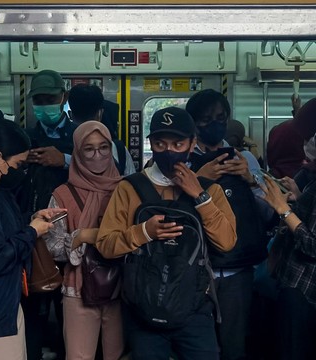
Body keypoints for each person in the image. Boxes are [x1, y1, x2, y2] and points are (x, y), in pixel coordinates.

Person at [95, 107, 237, 360]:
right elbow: (106, 244)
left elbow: (226, 242)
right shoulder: (130, 188)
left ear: (192, 143)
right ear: (150, 144)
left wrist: (200, 197)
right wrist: (143, 232)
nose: (168, 151)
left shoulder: (210, 190)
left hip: (194, 308)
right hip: (144, 308)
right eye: (160, 144)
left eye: (178, 143)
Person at [186, 89, 274, 360]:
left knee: (234, 344)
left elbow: (268, 211)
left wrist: (251, 180)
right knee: (199, 346)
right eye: (205, 120)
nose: (214, 124)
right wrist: (199, 178)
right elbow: (172, 210)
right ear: (192, 123)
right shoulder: (183, 160)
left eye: (221, 117)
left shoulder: (243, 159)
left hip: (238, 267)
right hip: (196, 268)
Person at [260, 97, 316, 360]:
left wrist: (282, 208)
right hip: (297, 283)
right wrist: (298, 196)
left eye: (310, 138)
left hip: (304, 287)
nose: (305, 145)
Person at [0, 119, 60, 360]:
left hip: (7, 304)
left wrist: (31, 219)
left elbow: (3, 228)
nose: (21, 171)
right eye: (18, 164)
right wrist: (32, 232)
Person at [43, 121, 124, 360]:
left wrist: (84, 236)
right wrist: (78, 240)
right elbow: (52, 247)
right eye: (89, 149)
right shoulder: (62, 194)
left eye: (104, 147)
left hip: (123, 289)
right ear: (77, 152)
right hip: (78, 288)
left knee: (118, 355)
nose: (97, 155)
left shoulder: (126, 189)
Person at [17, 69, 77, 360]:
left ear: (63, 98)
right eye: (38, 100)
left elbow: (105, 170)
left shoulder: (80, 137)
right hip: (35, 238)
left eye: (50, 98)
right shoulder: (25, 138)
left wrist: (64, 160)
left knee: (71, 316)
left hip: (72, 239)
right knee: (33, 318)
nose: (44, 105)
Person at [67, 84, 135, 176]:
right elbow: (131, 182)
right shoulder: (118, 150)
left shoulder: (61, 151)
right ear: (100, 114)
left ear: (70, 115)